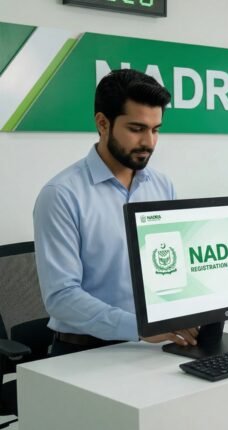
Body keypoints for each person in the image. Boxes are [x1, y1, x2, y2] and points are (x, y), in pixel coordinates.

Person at [33, 69, 197, 356]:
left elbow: (171, 269)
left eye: (156, 129)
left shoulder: (161, 185)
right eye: (136, 129)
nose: (149, 142)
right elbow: (61, 297)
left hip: (154, 345)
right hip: (84, 353)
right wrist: (139, 327)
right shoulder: (61, 194)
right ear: (102, 123)